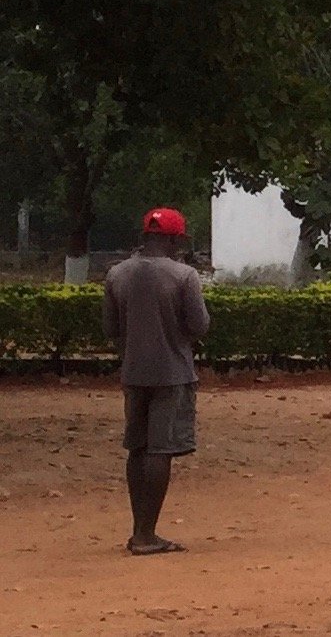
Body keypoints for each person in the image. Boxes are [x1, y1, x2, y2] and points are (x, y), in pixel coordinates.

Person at [103, 207, 210, 555]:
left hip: (134, 373)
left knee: (137, 447)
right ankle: (146, 536)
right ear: (173, 240)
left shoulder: (116, 275)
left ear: (145, 236)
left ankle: (138, 528)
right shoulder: (184, 276)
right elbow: (200, 326)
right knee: (160, 450)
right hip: (173, 373)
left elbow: (110, 330)